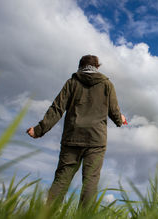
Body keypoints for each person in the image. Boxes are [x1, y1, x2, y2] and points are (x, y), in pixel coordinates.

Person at [26, 54, 127, 208]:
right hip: (96, 141)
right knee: (90, 181)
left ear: (80, 66)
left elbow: (57, 108)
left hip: (72, 137)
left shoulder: (72, 83)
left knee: (61, 179)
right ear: (97, 67)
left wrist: (39, 130)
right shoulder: (107, 85)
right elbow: (114, 111)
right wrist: (120, 119)